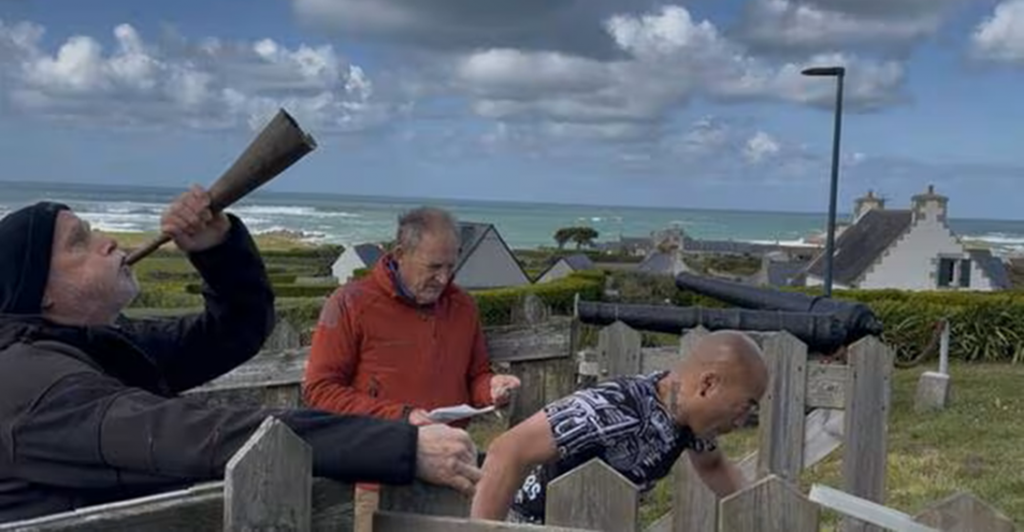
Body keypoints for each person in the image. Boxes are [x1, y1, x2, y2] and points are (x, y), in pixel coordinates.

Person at [0, 187, 481, 524]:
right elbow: (192, 432)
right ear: (38, 290)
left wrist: (217, 247)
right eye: (78, 242)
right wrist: (400, 445)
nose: (107, 241)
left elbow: (235, 332)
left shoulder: (95, 344)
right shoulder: (32, 383)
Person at [302, 206, 520, 531]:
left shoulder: (462, 306)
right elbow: (320, 392)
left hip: (450, 473)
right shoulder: (350, 302)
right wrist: (403, 417)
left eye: (451, 266)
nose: (444, 278)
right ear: (400, 254)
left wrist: (491, 387)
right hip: (373, 478)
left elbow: (475, 375)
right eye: (434, 267)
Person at [469, 330, 769, 524]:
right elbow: (507, 450)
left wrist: (763, 518)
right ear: (708, 384)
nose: (741, 422)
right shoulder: (614, 407)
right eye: (744, 406)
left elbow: (714, 466)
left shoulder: (688, 418)